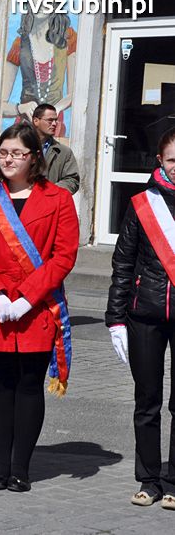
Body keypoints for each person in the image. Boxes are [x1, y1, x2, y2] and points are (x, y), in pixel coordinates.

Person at [0, 123, 78, 492]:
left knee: (29, 385)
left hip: (37, 309)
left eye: (17, 153)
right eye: (4, 153)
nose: (9, 159)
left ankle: (21, 467)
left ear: (34, 158)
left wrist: (27, 296)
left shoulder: (58, 199)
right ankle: (0, 465)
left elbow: (64, 255)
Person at [105, 126, 175, 509]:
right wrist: (115, 318)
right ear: (159, 162)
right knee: (147, 400)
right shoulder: (141, 204)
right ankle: (149, 478)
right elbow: (122, 263)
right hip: (144, 314)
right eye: (172, 160)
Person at [1, 0, 76, 136]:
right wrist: (20, 108)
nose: (41, 2)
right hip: (25, 125)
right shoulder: (19, 44)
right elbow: (0, 104)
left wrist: (55, 109)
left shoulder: (68, 38)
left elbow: (74, 94)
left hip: (54, 124)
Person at [31, 103, 80, 194]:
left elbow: (72, 180)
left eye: (55, 120)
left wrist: (51, 191)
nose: (54, 124)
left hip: (50, 204)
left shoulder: (64, 152)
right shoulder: (21, 147)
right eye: (50, 120)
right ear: (36, 121)